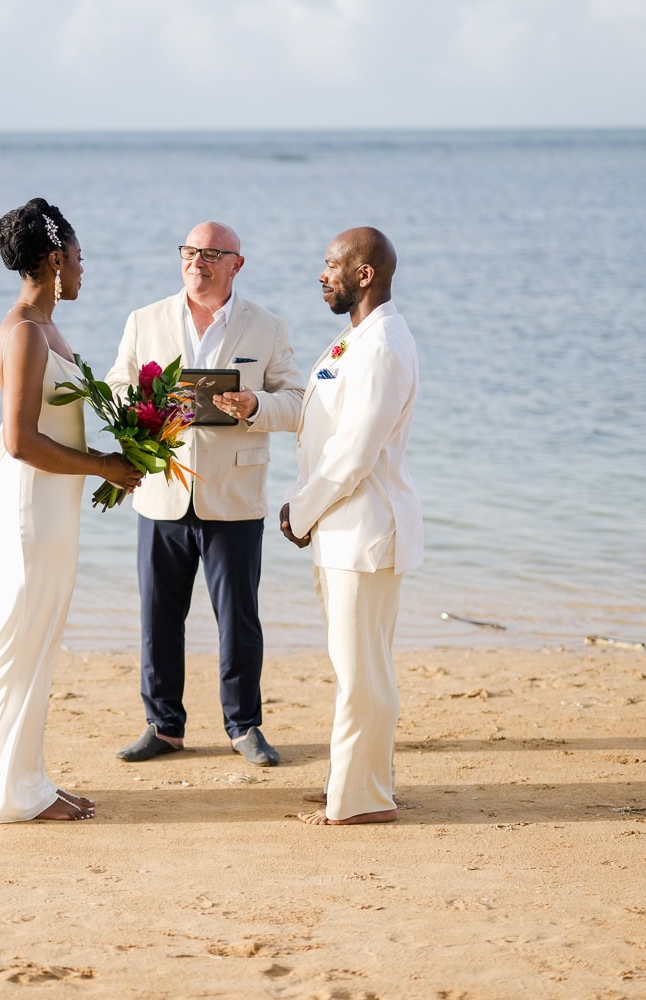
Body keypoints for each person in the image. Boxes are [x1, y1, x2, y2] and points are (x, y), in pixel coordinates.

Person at [0, 198, 142, 823]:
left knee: (37, 638)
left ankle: (25, 776)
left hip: (52, 504)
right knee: (16, 638)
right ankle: (9, 789)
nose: (85, 268)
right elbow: (20, 440)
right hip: (28, 506)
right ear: (55, 258)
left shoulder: (45, 327)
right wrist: (103, 465)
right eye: (80, 257)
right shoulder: (26, 333)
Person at [107, 222, 305, 766]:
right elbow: (117, 387)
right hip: (161, 492)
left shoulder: (266, 326)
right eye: (191, 251)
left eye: (213, 253)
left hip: (235, 496)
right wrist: (146, 401)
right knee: (157, 618)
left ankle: (244, 727)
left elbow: (298, 401)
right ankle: (163, 726)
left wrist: (254, 405)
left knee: (239, 618)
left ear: (236, 264)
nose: (199, 261)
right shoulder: (144, 320)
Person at [279, 227, 422, 825]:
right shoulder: (356, 337)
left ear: (365, 274)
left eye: (333, 264)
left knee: (363, 672)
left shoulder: (383, 344)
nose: (322, 273)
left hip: (361, 531)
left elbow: (355, 453)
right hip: (340, 531)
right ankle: (358, 778)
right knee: (355, 665)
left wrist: (302, 509)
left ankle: (361, 799)